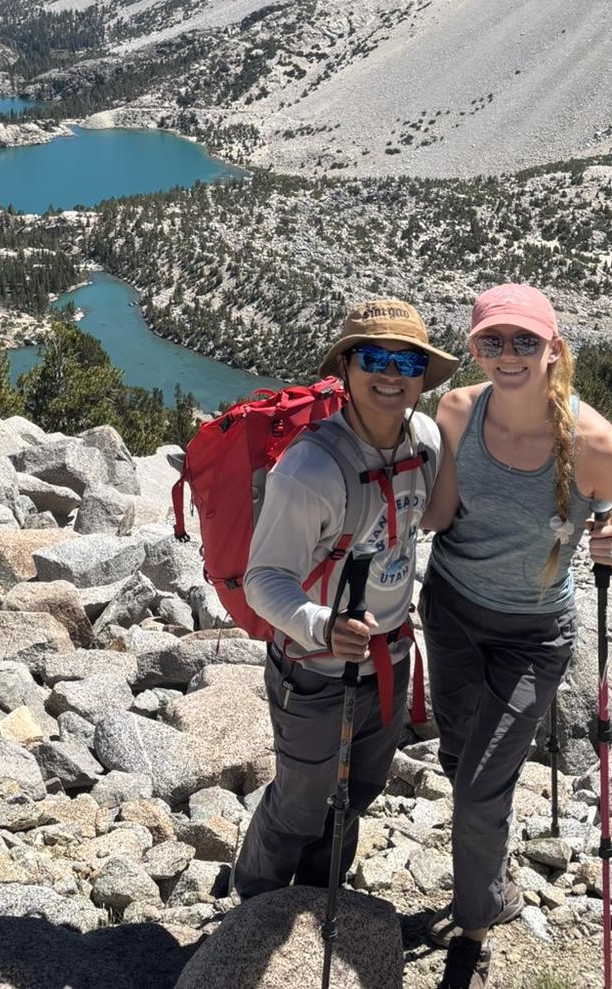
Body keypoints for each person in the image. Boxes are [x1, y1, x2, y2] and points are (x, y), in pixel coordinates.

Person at [420, 284, 612, 989]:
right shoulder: (455, 410)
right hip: (451, 608)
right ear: (473, 348)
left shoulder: (598, 448)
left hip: (534, 633)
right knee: (462, 758)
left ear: (554, 350)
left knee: (479, 784)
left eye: (523, 341)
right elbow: (442, 514)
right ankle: (495, 867)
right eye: (492, 341)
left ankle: (478, 920)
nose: (507, 355)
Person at [232, 298, 460, 900]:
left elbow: (431, 522)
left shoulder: (427, 439)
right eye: (374, 358)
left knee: (358, 790)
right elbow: (264, 578)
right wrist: (320, 624)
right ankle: (253, 902)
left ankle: (318, 893)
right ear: (347, 368)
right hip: (314, 666)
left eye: (406, 361)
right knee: (302, 803)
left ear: (422, 374)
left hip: (388, 654)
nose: (391, 374)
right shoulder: (308, 469)